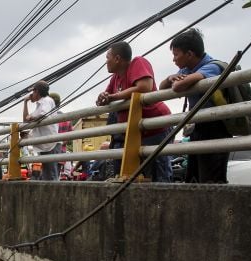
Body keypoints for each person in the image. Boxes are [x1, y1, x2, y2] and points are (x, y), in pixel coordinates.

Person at [159, 28, 230, 183]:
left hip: (215, 128)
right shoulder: (187, 69)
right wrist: (171, 77)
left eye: (176, 55)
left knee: (211, 179)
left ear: (189, 54)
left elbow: (178, 87)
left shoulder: (212, 67)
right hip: (199, 127)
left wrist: (177, 81)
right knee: (193, 177)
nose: (174, 60)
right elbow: (162, 87)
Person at [96, 41, 172, 182]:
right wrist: (103, 97)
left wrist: (113, 96)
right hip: (135, 132)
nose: (106, 62)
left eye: (108, 57)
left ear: (117, 58)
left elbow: (144, 87)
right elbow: (106, 97)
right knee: (136, 175)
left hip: (155, 127)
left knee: (158, 172)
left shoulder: (138, 62)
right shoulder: (115, 78)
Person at [23, 80, 61, 181]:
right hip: (45, 144)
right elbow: (25, 120)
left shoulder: (47, 101)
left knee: (51, 176)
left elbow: (43, 114)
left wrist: (31, 117)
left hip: (50, 144)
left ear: (37, 92)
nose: (31, 95)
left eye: (33, 92)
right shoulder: (39, 105)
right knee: (48, 175)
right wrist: (25, 102)